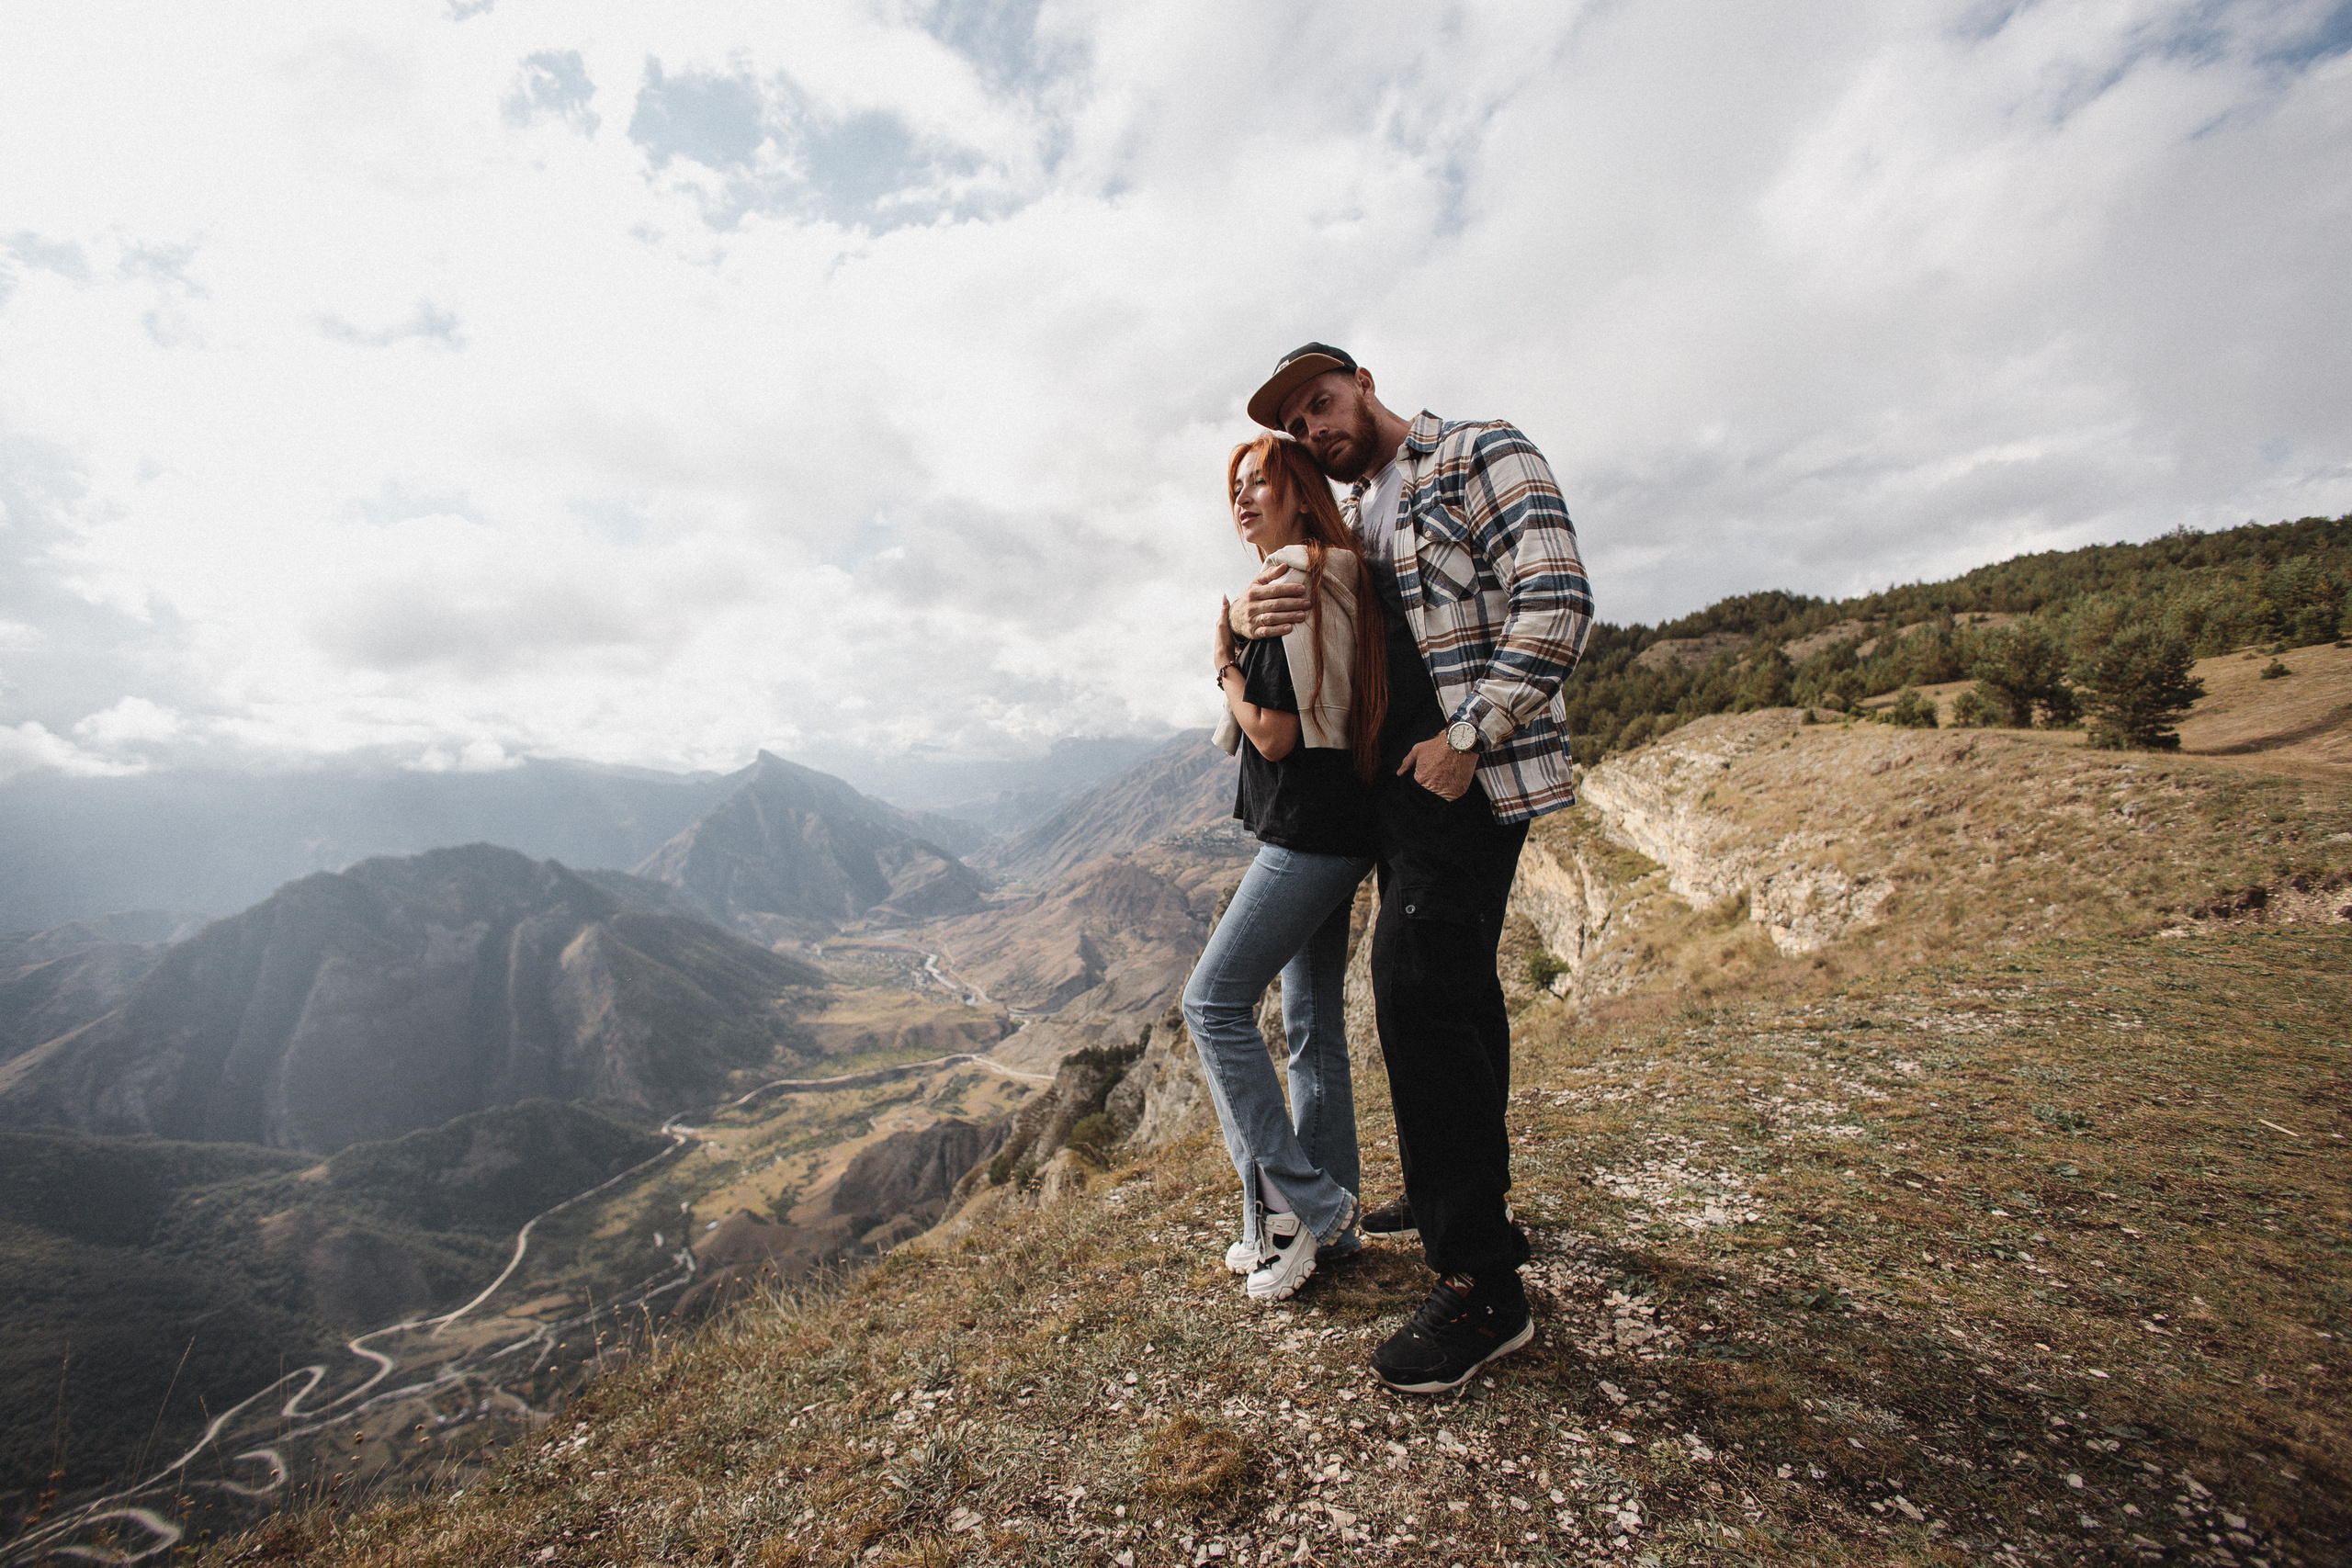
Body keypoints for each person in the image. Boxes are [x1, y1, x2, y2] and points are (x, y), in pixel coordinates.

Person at [1233, 344, 1594, 1391]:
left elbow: (1558, 601)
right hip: (1402, 795)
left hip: (1467, 778)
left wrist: (1469, 734)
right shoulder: (1359, 516)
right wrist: (1248, 616)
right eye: (1299, 424)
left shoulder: (1480, 453)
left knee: (1416, 994)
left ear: (1363, 383)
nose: (1315, 429)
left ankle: (1481, 1285)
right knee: (1461, 997)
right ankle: (1471, 1205)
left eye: (1322, 402)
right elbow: (1327, 609)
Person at [1182, 432, 1389, 1303]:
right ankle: (1326, 1222)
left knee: (1210, 1002)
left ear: (1300, 492)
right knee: (1311, 1026)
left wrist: (1223, 663)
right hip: (1339, 826)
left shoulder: (1292, 582)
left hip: (1308, 834)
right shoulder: (1317, 574)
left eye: (1258, 481)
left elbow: (1269, 733)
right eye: (1234, 485)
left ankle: (1300, 1208)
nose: (1242, 497)